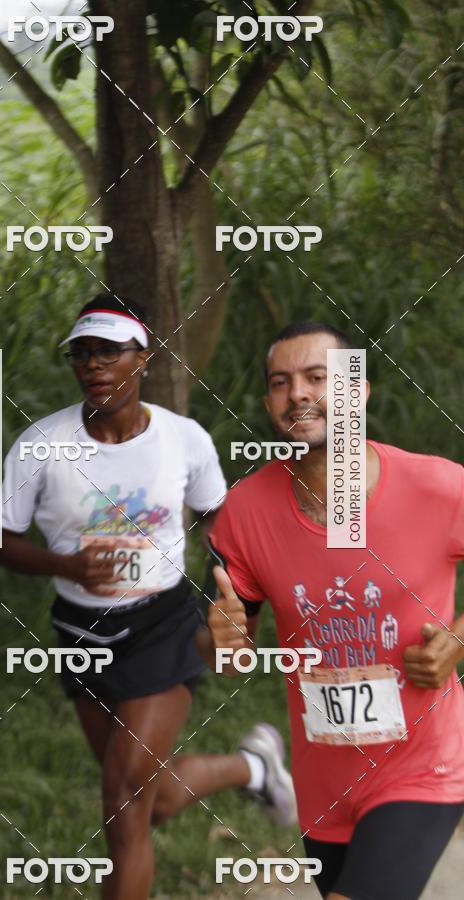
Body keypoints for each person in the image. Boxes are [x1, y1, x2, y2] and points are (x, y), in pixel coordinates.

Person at [0, 293, 296, 900]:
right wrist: (67, 563)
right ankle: (253, 767)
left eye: (109, 351)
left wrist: (233, 607)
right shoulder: (41, 444)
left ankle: (254, 769)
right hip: (78, 633)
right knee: (140, 803)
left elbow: (223, 530)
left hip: (160, 624)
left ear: (143, 357)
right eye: (82, 354)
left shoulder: (183, 439)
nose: (94, 365)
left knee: (123, 799)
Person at [198, 320, 464, 900]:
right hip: (325, 787)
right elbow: (229, 657)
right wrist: (220, 641)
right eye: (280, 382)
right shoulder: (244, 512)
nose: (297, 393)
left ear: (358, 391)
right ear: (269, 402)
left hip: (424, 768)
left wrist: (460, 639)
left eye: (318, 377)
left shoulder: (438, 488)